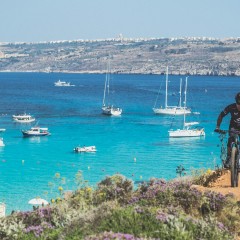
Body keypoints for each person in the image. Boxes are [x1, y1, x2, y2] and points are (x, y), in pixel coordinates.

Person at [215, 92, 240, 168]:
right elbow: (221, 115)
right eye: (238, 104)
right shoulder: (231, 107)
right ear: (236, 102)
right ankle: (229, 157)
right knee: (230, 140)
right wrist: (217, 127)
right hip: (233, 127)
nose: (239, 106)